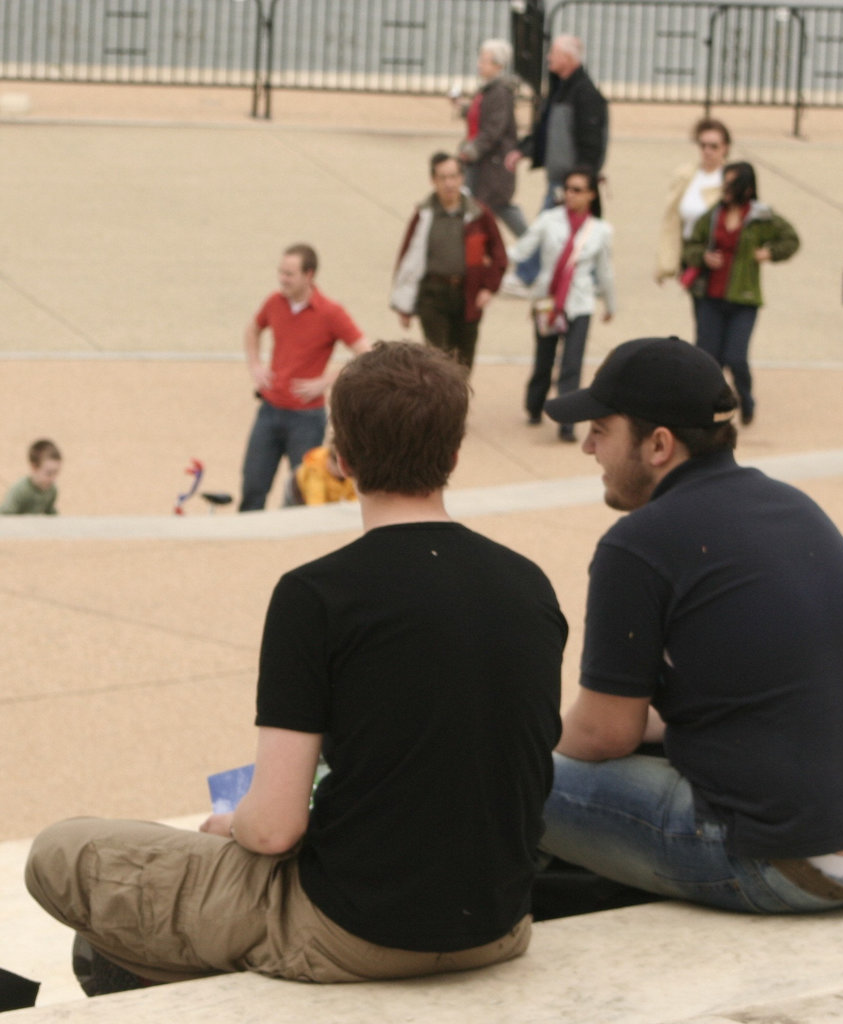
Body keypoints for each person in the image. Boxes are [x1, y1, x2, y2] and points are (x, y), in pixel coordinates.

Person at [25, 341, 567, 993]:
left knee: (62, 853)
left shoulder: (316, 596)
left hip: (353, 931)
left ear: (341, 458)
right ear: (453, 455)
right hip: (499, 926)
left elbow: (277, 827)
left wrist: (235, 826)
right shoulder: (530, 585)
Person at [538, 336, 843, 914]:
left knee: (506, 773)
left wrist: (527, 742)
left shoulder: (638, 543)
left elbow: (605, 733)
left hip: (791, 864)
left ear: (658, 444)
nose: (587, 447)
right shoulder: (790, 505)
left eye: (601, 430)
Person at [240, 243, 370, 512]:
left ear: (309, 275)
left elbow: (365, 352)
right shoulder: (274, 303)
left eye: (290, 274)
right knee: (253, 485)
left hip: (306, 419)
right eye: (281, 272)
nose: (282, 279)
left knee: (301, 493)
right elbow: (253, 328)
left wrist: (327, 381)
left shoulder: (331, 312)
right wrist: (255, 365)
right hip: (269, 409)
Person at [682, 162, 799, 426]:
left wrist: (769, 253)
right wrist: (703, 256)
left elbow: (791, 239)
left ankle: (746, 399)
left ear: (746, 188)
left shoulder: (761, 217)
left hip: (744, 299)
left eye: (731, 184)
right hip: (710, 296)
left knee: (736, 357)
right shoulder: (713, 216)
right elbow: (690, 245)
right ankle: (708, 410)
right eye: (724, 183)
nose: (725, 189)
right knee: (709, 357)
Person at [508, 167, 615, 442]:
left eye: (577, 189)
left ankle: (566, 421)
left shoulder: (600, 230)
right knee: (544, 358)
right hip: (548, 300)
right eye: (568, 188)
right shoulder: (548, 220)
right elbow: (522, 250)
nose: (570, 194)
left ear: (591, 195)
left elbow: (604, 270)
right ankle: (534, 405)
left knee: (572, 362)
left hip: (580, 302)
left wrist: (610, 304)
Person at [505, 35, 608, 288]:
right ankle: (590, 278)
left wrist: (582, 179)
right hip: (560, 176)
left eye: (553, 53)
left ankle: (526, 274)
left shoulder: (585, 94)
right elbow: (546, 129)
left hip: (569, 179)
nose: (548, 58)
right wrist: (525, 150)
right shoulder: (560, 88)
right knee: (566, 228)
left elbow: (592, 142)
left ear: (568, 58)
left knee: (547, 226)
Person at [391, 153, 507, 372]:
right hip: (433, 295)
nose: (449, 183)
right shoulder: (424, 213)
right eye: (442, 177)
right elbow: (408, 256)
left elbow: (499, 254)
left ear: (462, 178)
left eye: (453, 176)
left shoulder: (478, 214)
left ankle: (458, 405)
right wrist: (403, 304)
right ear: (433, 180)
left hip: (468, 295)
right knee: (437, 362)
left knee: (463, 362)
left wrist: (489, 288)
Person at [654, 118, 732, 330]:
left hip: (722, 257)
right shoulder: (686, 176)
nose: (707, 151)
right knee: (703, 321)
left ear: (725, 147)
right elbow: (671, 222)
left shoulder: (730, 179)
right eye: (703, 145)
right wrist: (665, 263)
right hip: (694, 256)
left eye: (714, 146)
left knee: (720, 322)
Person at [454, 39, 527, 238]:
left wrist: (472, 150)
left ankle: (530, 245)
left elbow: (493, 128)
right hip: (484, 160)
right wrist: (465, 109)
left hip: (492, 163)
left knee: (494, 206)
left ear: (498, 65)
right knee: (484, 205)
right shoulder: (490, 89)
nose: (479, 64)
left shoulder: (500, 92)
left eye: (484, 60)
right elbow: (484, 117)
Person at [281, 443, 357, 507]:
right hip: (297, 494)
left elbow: (354, 497)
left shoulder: (350, 472)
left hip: (329, 499)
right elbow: (316, 505)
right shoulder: (316, 472)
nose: (342, 470)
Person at [1, 439, 61, 515]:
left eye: (56, 473)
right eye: (49, 473)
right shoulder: (20, 490)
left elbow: (51, 513)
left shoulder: (51, 490)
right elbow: (5, 515)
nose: (53, 478)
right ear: (34, 467)